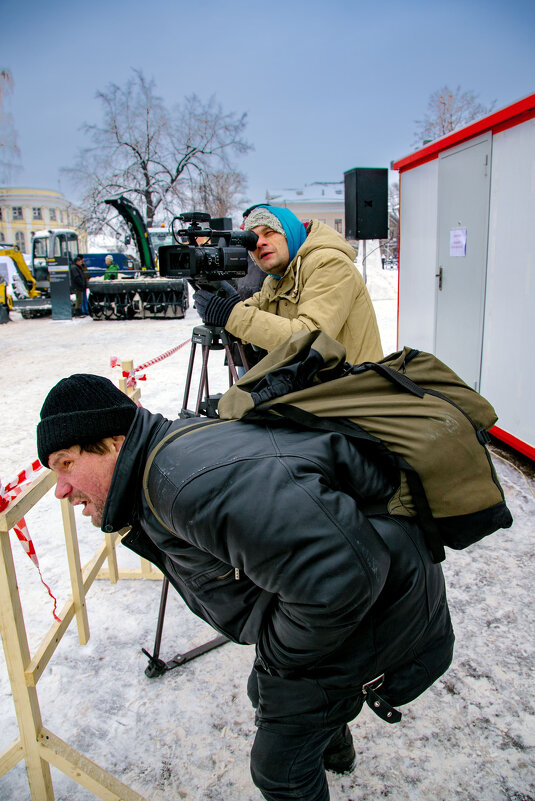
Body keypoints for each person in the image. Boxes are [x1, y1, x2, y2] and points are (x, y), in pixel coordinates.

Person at [37, 373, 454, 801]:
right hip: (379, 573)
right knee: (267, 692)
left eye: (67, 463)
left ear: (114, 442)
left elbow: (339, 579)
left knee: (279, 770)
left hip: (382, 601)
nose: (61, 489)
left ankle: (319, 745)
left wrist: (276, 654)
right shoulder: (164, 459)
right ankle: (335, 753)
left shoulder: (180, 486)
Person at [193, 205, 384, 365]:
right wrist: (222, 303)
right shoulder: (277, 280)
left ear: (289, 233)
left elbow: (310, 338)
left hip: (350, 394)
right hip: (318, 391)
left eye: (269, 233)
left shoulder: (330, 263)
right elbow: (252, 313)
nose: (260, 243)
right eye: (252, 241)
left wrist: (231, 315)